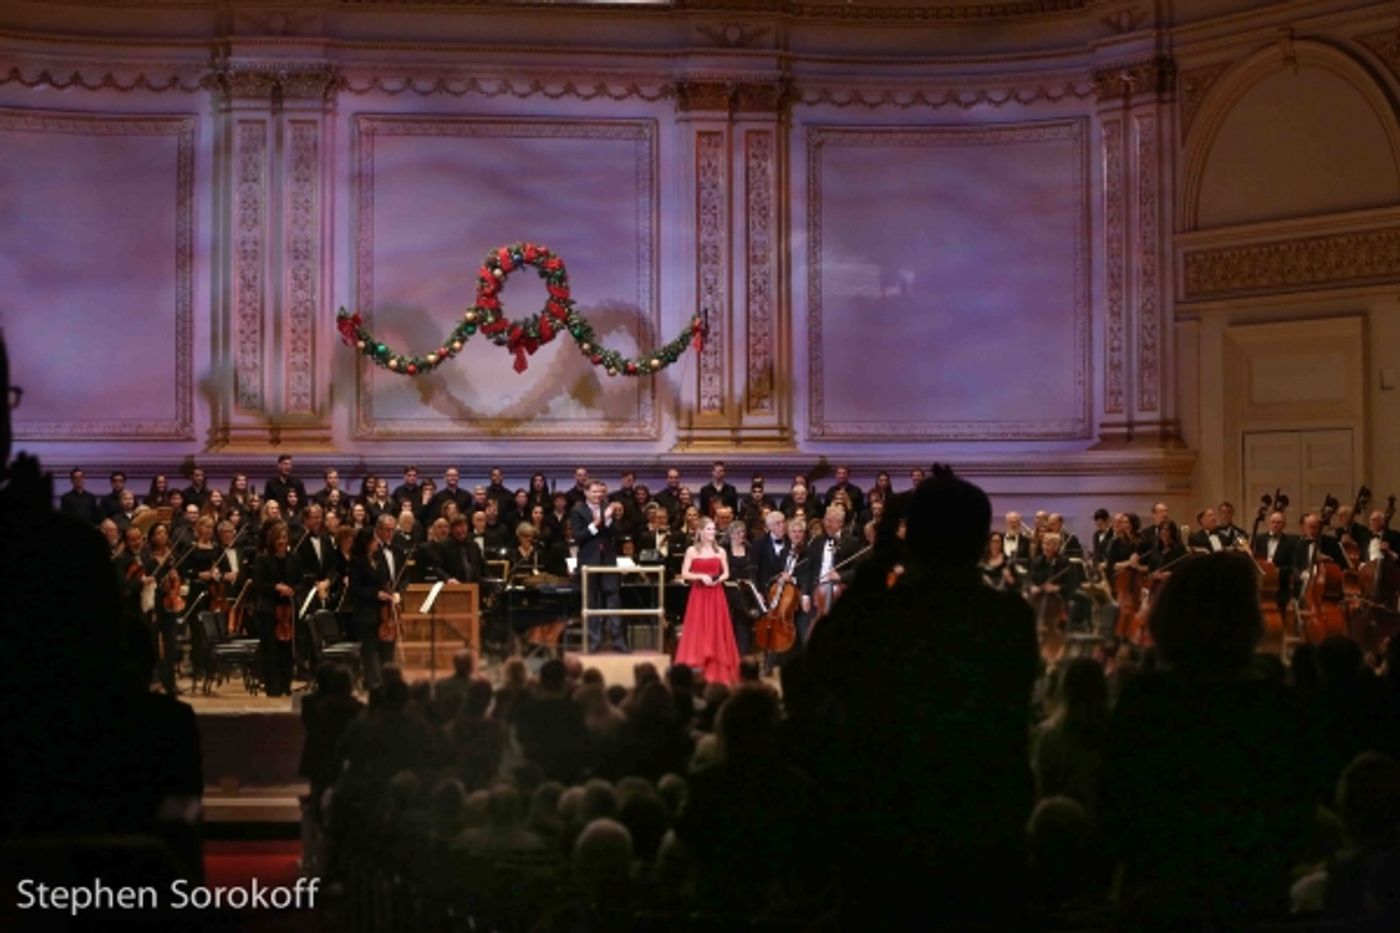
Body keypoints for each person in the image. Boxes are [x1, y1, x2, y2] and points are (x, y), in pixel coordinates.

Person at [805, 466, 1038, 931]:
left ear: (909, 538)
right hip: (981, 834)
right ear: (978, 543)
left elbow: (820, 666)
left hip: (885, 837)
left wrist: (881, 559)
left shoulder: (880, 615)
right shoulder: (1006, 617)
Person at [1101, 551, 1323, 927]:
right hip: (1251, 897)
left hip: (1159, 894)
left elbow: (1114, 811)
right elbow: (1297, 814)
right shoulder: (1275, 705)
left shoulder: (1145, 701)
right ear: (1247, 620)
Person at [674, 518, 738, 686]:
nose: (712, 532)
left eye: (713, 529)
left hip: (716, 594)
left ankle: (717, 668)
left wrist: (718, 580)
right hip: (699, 594)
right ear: (700, 531)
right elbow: (685, 573)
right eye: (709, 529)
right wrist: (700, 576)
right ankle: (697, 663)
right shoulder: (691, 551)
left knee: (716, 628)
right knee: (698, 627)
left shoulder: (721, 551)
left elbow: (726, 573)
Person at [570, 480, 627, 652]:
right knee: (592, 602)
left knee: (614, 599)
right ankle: (594, 642)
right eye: (594, 492)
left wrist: (609, 520)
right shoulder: (577, 511)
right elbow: (579, 537)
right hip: (589, 562)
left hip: (608, 560)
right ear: (586, 493)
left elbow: (618, 532)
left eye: (601, 492)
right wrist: (600, 521)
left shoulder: (608, 508)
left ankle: (618, 641)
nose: (598, 495)